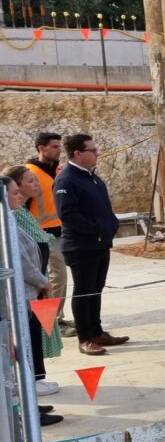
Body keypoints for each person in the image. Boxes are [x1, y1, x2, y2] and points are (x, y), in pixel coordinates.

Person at [53, 134, 127, 357]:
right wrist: (96, 228)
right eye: (92, 150)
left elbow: (103, 207)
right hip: (81, 246)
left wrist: (111, 224)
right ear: (77, 153)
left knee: (96, 289)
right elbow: (67, 214)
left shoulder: (91, 177)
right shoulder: (66, 179)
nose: (97, 153)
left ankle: (96, 331)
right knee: (84, 291)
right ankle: (85, 337)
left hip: (99, 244)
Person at [5, 168, 62, 414]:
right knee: (20, 345)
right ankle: (27, 407)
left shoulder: (14, 214)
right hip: (20, 292)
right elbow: (20, 260)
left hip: (28, 290)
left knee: (28, 342)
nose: (20, 196)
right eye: (15, 192)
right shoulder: (7, 221)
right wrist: (42, 281)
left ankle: (30, 403)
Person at [27, 132, 70, 333]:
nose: (59, 149)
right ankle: (52, 322)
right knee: (57, 276)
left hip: (59, 233)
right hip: (39, 234)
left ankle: (53, 318)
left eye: (59, 146)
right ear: (41, 148)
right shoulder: (29, 173)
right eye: (54, 146)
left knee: (57, 277)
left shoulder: (58, 171)